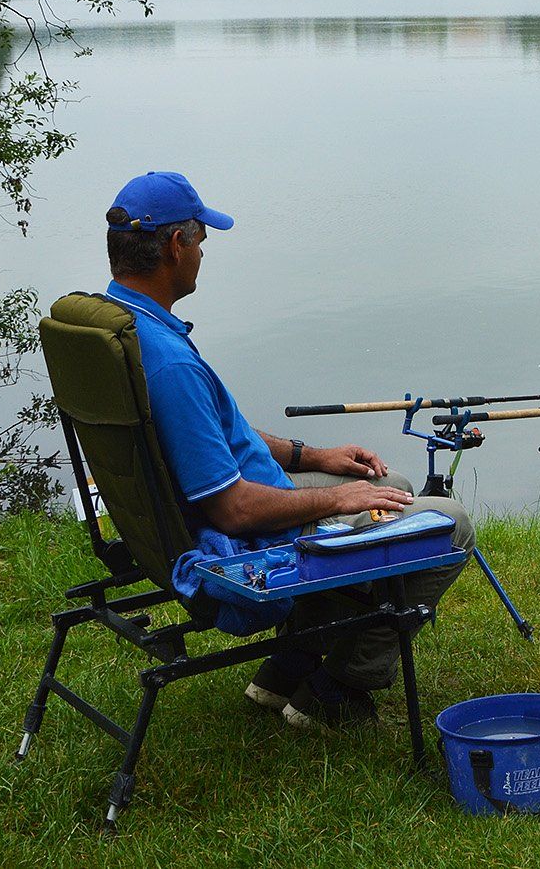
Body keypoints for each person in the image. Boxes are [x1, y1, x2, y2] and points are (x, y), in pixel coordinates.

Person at [99, 170, 471, 729]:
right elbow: (235, 510)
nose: (204, 253)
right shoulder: (169, 362)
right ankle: (337, 690)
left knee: (394, 487)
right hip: (247, 529)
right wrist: (334, 500)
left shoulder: (127, 326)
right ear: (176, 245)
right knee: (454, 524)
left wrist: (316, 458)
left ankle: (287, 666)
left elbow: (214, 432)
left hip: (209, 507)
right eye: (201, 239)